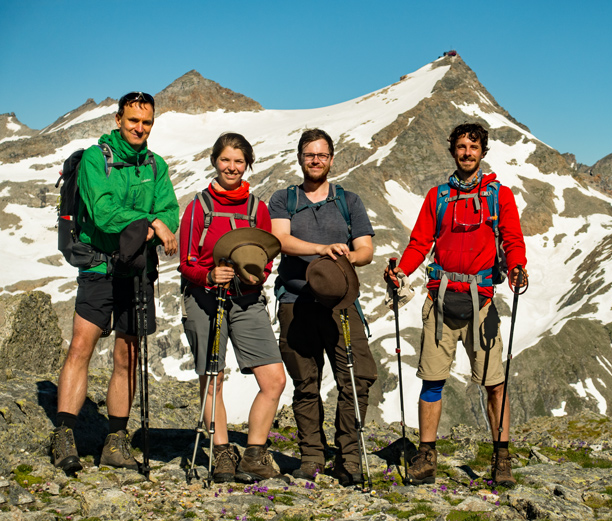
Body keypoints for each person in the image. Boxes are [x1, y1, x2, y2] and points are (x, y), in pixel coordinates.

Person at [385, 123, 528, 488]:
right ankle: (426, 457)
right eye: (461, 146)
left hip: (481, 302)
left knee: (495, 383)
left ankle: (502, 458)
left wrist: (517, 268)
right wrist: (400, 271)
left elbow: (512, 239)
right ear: (453, 151)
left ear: (483, 151)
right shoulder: (438, 196)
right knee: (432, 380)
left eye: (473, 146)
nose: (467, 152)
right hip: (441, 300)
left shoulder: (500, 196)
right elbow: (420, 242)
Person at [50, 92, 179, 472]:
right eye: (133, 120)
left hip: (137, 269)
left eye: (147, 122)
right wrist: (150, 222)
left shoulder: (156, 166)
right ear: (118, 119)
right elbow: (104, 213)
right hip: (98, 268)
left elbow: (169, 210)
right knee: (81, 347)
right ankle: (63, 436)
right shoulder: (96, 158)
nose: (140, 128)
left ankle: (115, 442)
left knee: (129, 354)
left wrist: (156, 223)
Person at [268, 128, 377, 486]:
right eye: (309, 154)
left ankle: (349, 457)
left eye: (322, 155)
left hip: (340, 301)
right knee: (306, 381)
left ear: (332, 158)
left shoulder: (350, 200)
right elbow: (280, 241)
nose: (316, 160)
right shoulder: (284, 199)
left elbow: (366, 249)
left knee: (355, 378)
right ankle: (311, 456)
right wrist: (321, 248)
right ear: (300, 158)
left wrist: (349, 254)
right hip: (295, 300)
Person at [179, 132, 288, 483]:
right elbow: (185, 261)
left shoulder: (258, 208)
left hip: (246, 299)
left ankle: (253, 454)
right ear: (215, 161)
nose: (231, 167)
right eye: (226, 160)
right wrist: (209, 274)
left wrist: (254, 276)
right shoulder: (198, 206)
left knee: (273, 379)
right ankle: (224, 453)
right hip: (204, 298)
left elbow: (267, 256)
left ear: (247, 165)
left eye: (238, 161)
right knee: (213, 377)